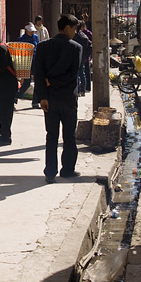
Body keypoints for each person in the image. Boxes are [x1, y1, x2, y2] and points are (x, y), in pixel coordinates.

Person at [33, 14, 83, 183]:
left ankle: (50, 171)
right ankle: (68, 169)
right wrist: (53, 83)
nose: (75, 33)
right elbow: (73, 76)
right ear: (67, 27)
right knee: (69, 136)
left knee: (51, 136)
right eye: (74, 28)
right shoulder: (75, 48)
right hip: (68, 98)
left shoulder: (42, 47)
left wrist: (43, 96)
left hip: (50, 99)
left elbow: (38, 74)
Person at [16, 23, 40, 108]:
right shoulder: (21, 39)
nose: (32, 33)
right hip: (26, 63)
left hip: (35, 62)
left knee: (38, 82)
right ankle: (16, 96)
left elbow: (38, 48)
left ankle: (35, 102)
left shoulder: (36, 38)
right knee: (26, 83)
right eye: (30, 31)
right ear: (26, 30)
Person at [74, 21, 92, 97]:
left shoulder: (75, 36)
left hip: (76, 57)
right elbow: (90, 46)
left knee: (77, 74)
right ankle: (82, 90)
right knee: (82, 74)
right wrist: (87, 56)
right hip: (83, 57)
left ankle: (78, 90)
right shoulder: (84, 36)